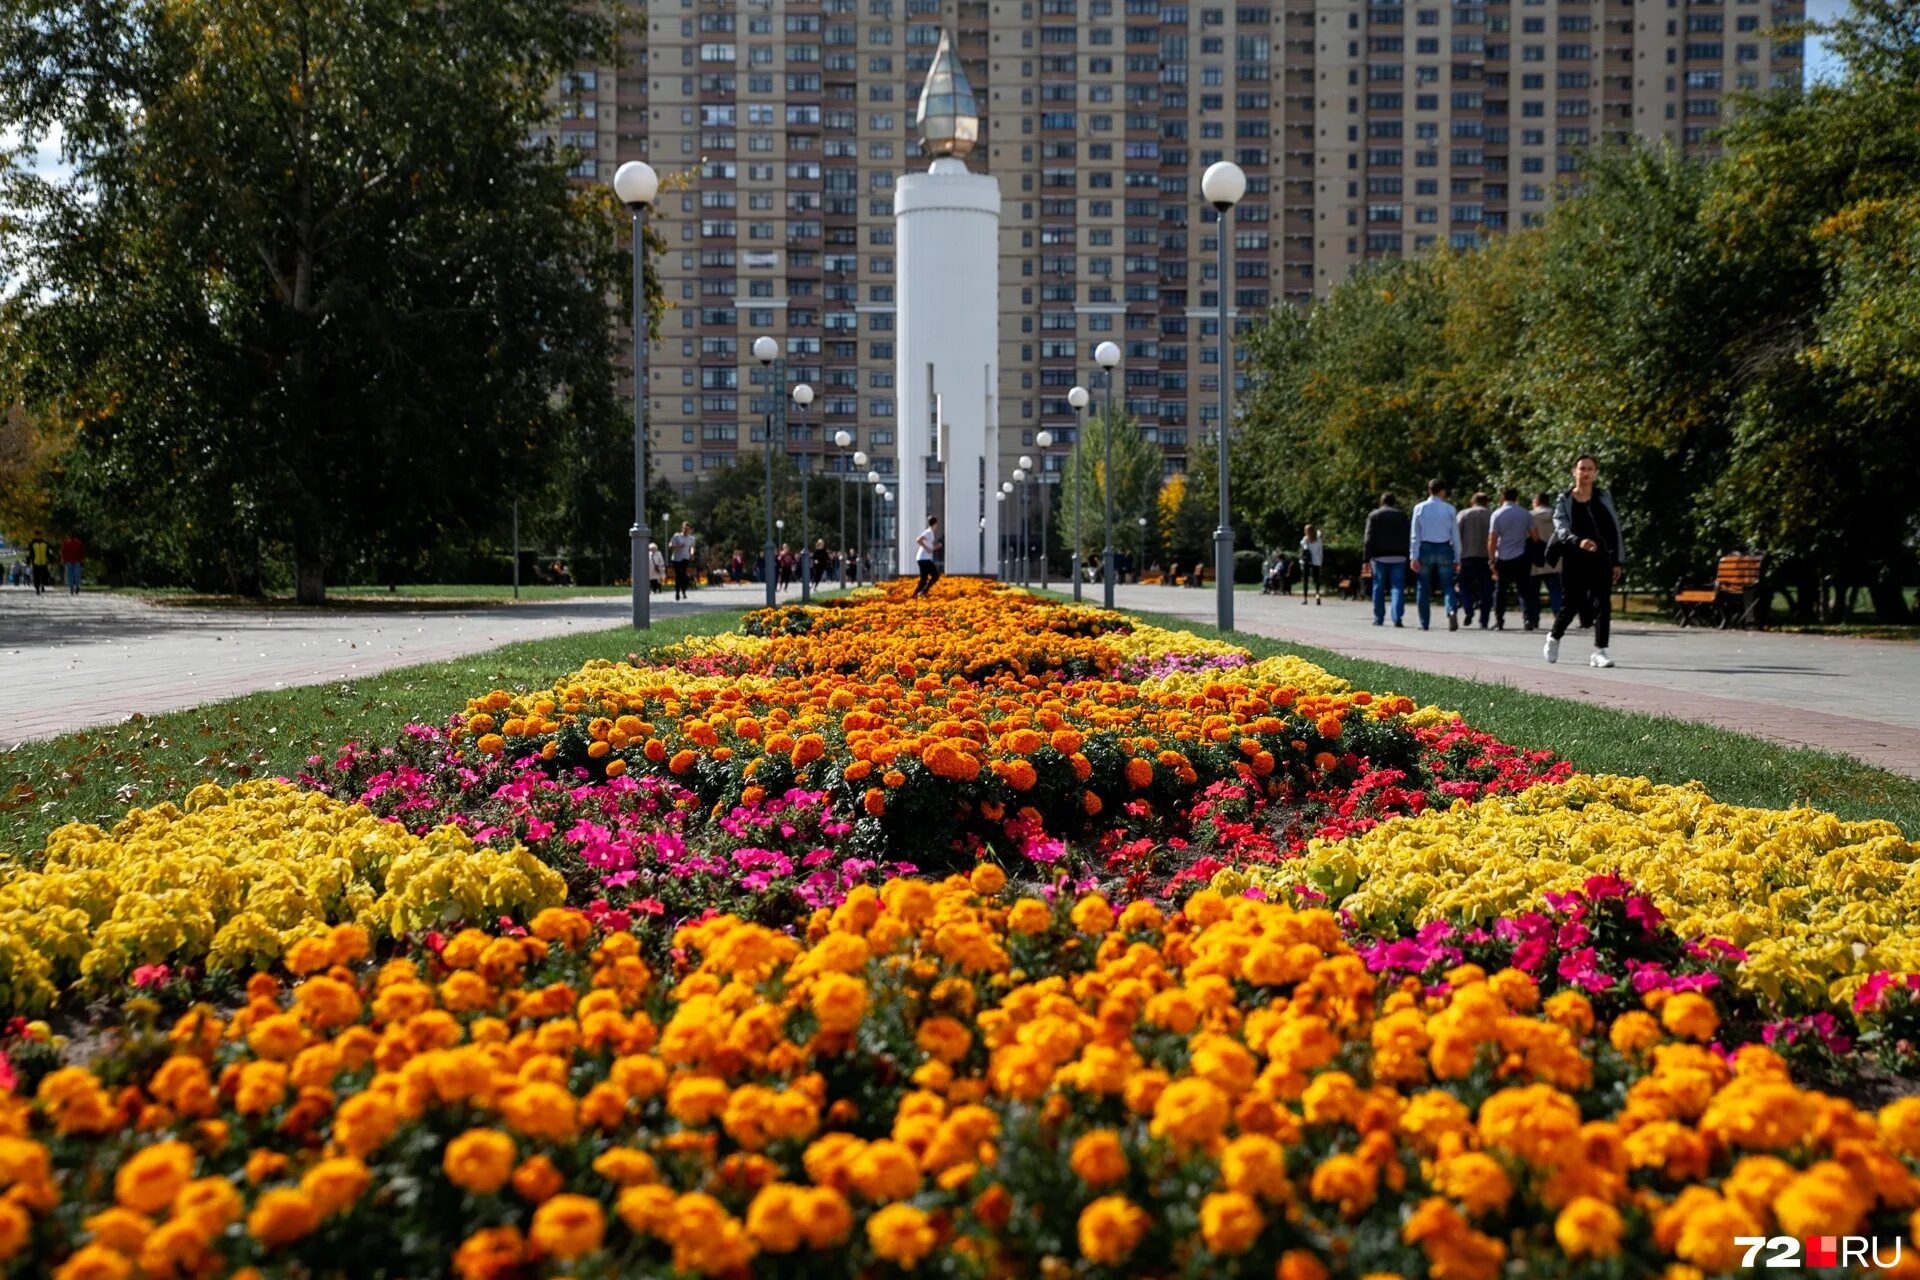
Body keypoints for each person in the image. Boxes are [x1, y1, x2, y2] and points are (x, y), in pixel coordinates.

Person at [1545, 455, 1625, 669]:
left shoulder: (1603, 497)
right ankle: (1554, 636)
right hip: (1574, 559)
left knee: (1603, 604)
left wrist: (1617, 560)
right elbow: (1561, 527)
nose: (1586, 473)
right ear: (1575, 472)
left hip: (1601, 559)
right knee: (1571, 605)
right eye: (1582, 469)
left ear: (1595, 473)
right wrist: (1578, 541)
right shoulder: (1565, 500)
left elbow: (1613, 528)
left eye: (1590, 469)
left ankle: (1600, 651)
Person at [1408, 480, 1460, 631]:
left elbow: (1415, 535)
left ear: (1429, 490)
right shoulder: (1449, 509)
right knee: (1448, 585)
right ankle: (1451, 610)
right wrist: (1458, 557)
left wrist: (1414, 556)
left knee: (1423, 586)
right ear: (1442, 491)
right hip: (1444, 547)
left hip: (1425, 547)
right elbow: (1455, 536)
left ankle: (1424, 622)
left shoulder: (1419, 508)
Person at [1488, 487, 1538, 631]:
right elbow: (1535, 536)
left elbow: (1492, 539)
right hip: (1521, 557)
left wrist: (1491, 559)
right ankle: (1527, 619)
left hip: (1503, 557)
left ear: (1502, 497)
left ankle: (1499, 621)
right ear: (1517, 498)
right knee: (1524, 590)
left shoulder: (1497, 514)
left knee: (1500, 590)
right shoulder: (1525, 514)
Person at [1363, 492, 1411, 627]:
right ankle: (1397, 618)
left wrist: (1366, 559)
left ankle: (1379, 618)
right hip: (1399, 557)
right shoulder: (1402, 516)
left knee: (1378, 587)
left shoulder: (1374, 515)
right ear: (1394, 502)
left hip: (1379, 557)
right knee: (1397, 588)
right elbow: (1408, 535)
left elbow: (1368, 538)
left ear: (1381, 502)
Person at [1455, 493, 1494, 629]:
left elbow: (1456, 535)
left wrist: (1456, 556)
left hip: (1467, 556)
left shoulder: (1464, 514)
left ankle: (1468, 607)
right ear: (1486, 502)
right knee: (1486, 590)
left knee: (1464, 586)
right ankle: (1484, 621)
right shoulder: (1492, 515)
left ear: (1473, 502)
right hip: (1486, 557)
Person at [1529, 492, 1563, 622]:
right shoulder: (1557, 515)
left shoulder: (1530, 517)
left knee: (1533, 592)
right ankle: (1558, 615)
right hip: (1554, 559)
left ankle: (1533, 618)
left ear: (1536, 502)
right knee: (1555, 590)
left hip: (1535, 559)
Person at [913, 516, 941, 597]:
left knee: (925, 579)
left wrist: (937, 546)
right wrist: (927, 547)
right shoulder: (928, 532)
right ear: (935, 523)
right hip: (923, 558)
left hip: (924, 558)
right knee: (934, 576)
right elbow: (918, 540)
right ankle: (921, 593)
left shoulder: (931, 532)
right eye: (937, 524)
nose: (937, 525)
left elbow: (930, 547)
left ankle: (917, 594)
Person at [667, 522, 696, 601]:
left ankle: (683, 591)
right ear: (682, 528)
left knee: (683, 574)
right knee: (678, 575)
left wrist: (692, 554)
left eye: (688, 529)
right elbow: (670, 546)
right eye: (685, 529)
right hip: (676, 558)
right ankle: (677, 592)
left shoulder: (691, 538)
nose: (686, 530)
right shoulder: (676, 536)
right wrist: (678, 546)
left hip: (685, 557)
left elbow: (692, 547)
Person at [1298, 524, 1324, 606]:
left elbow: (1320, 552)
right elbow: (1302, 545)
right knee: (1306, 580)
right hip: (1308, 561)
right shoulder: (1305, 539)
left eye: (1308, 530)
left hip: (1315, 562)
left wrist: (1320, 562)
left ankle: (1317, 596)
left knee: (1316, 580)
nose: (1307, 532)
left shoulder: (1318, 540)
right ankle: (1306, 598)